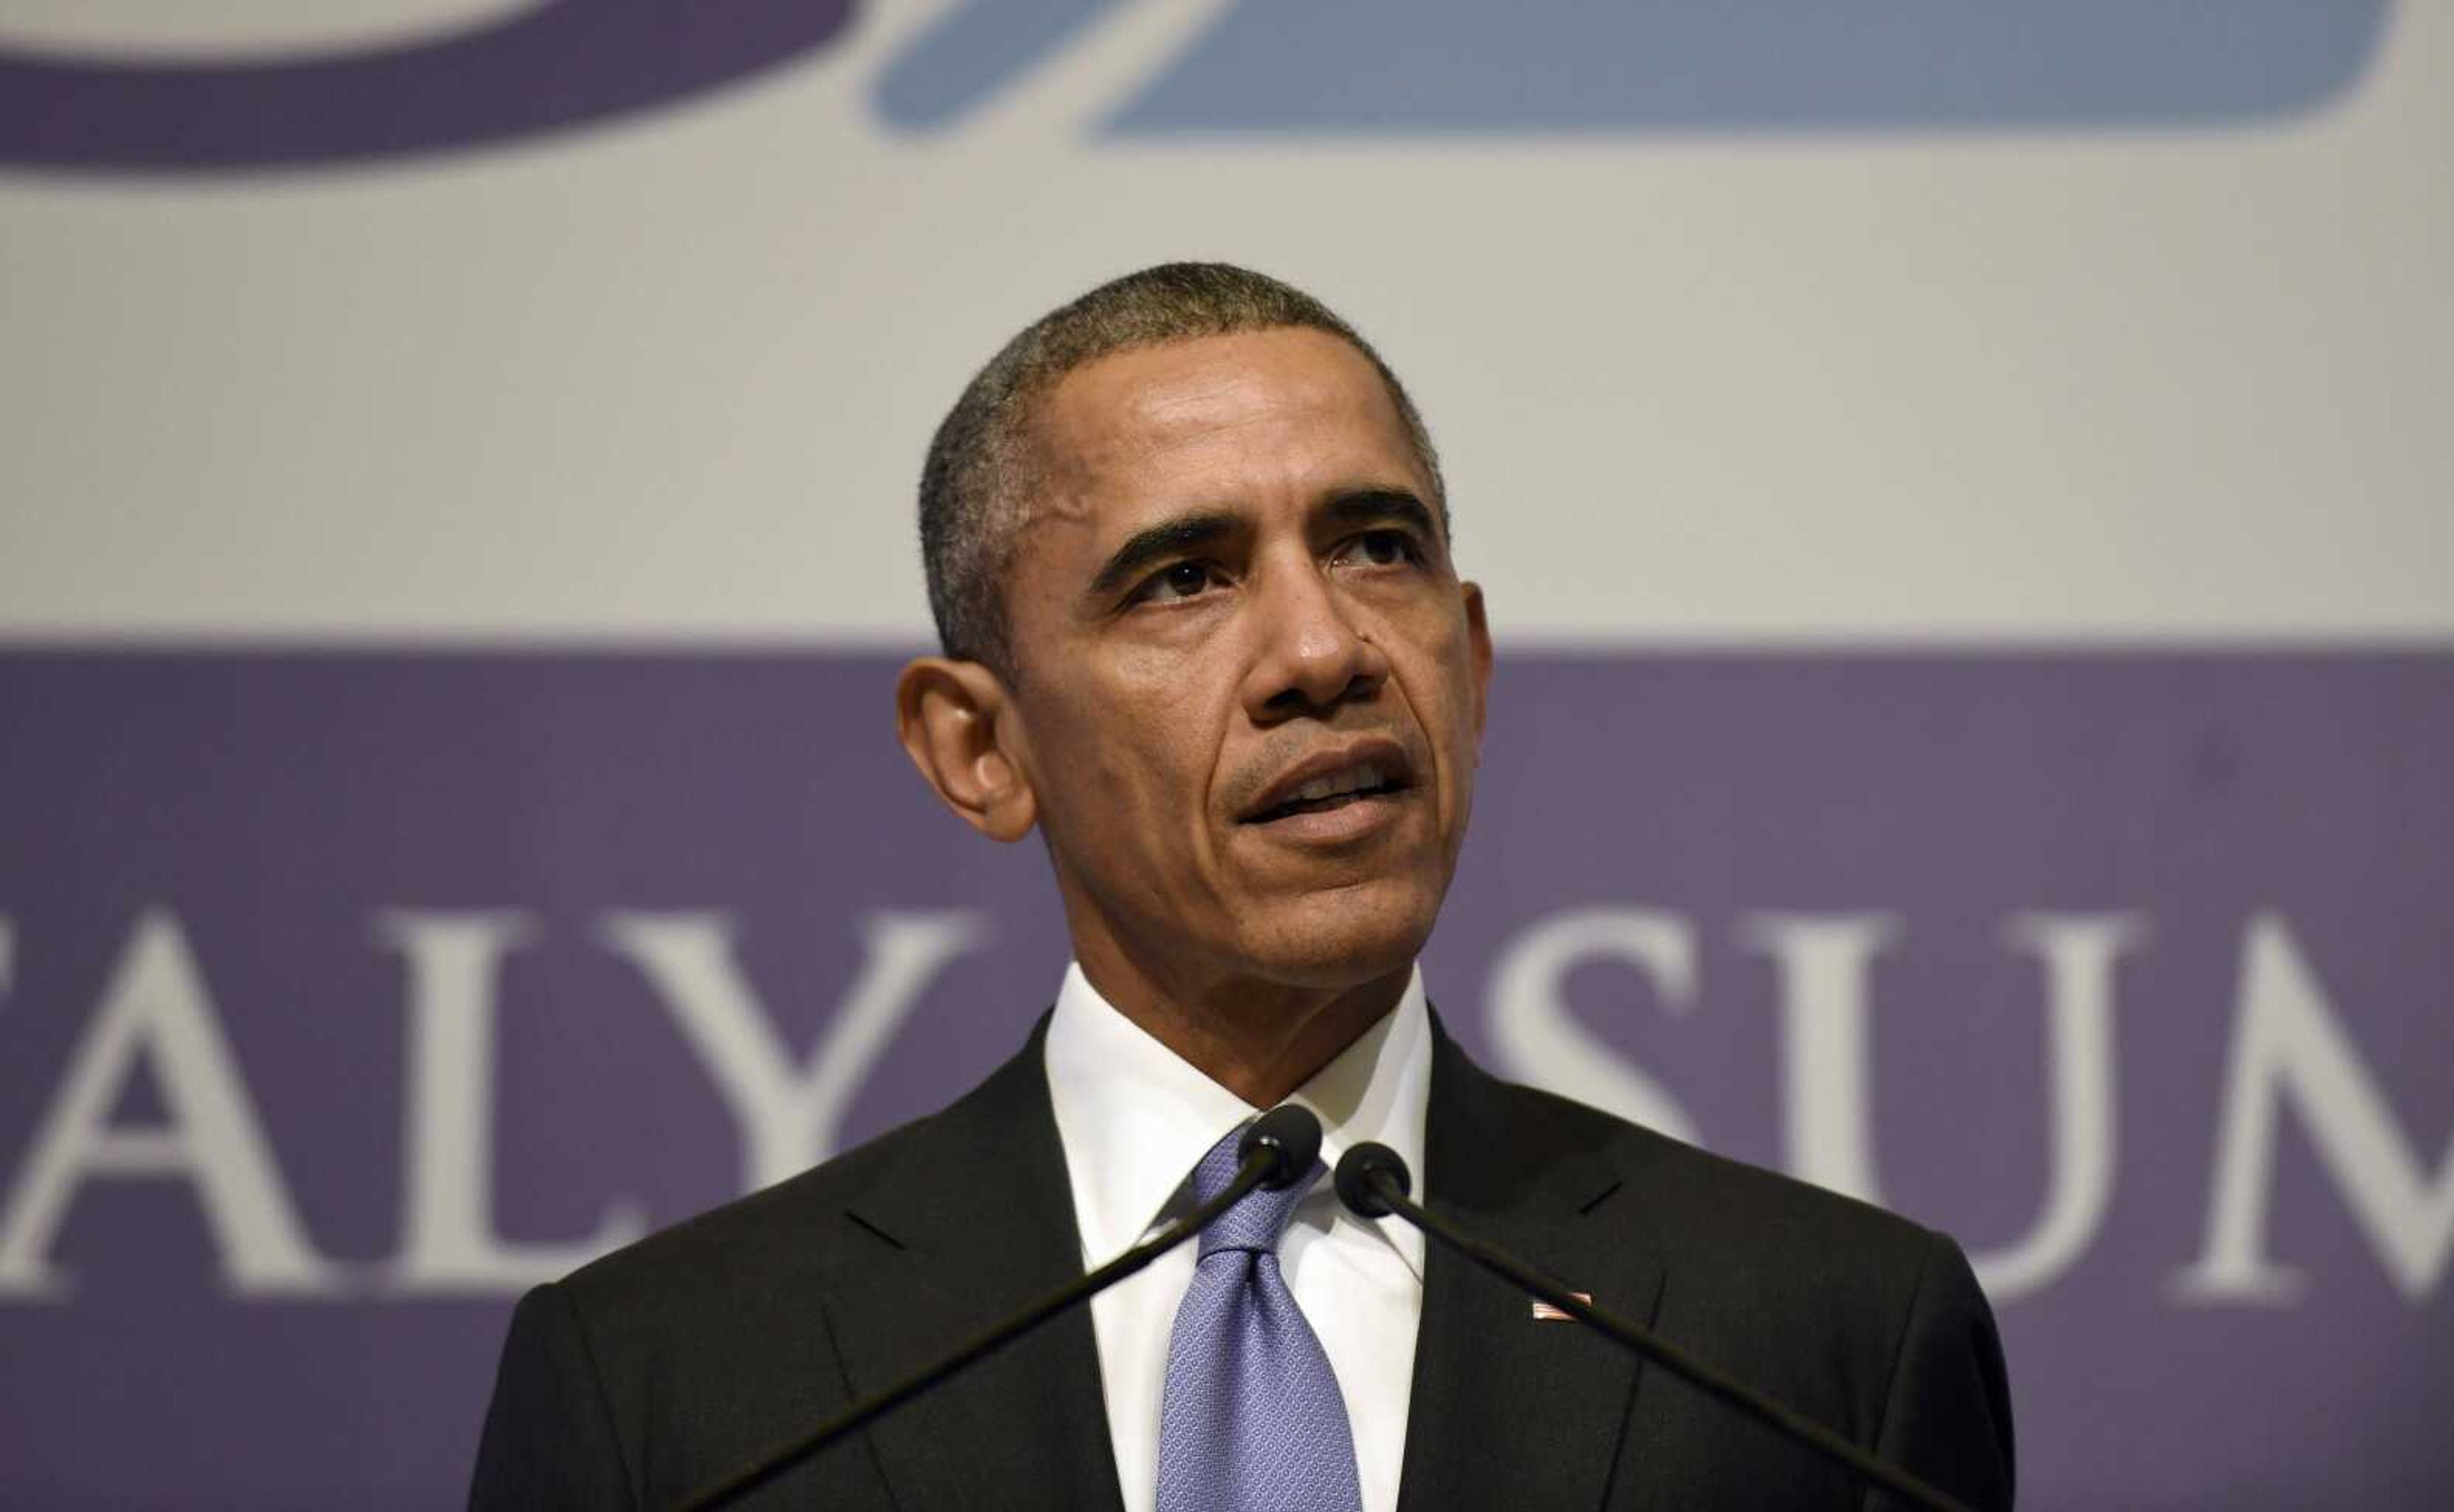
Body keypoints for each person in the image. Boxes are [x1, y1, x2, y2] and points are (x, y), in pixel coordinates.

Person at [468, 263, 2014, 1511]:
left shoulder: (1823, 1352)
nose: (1327, 651)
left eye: (1376, 547)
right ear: (979, 748)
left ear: (1468, 670)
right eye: (1187, 578)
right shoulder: (673, 1387)